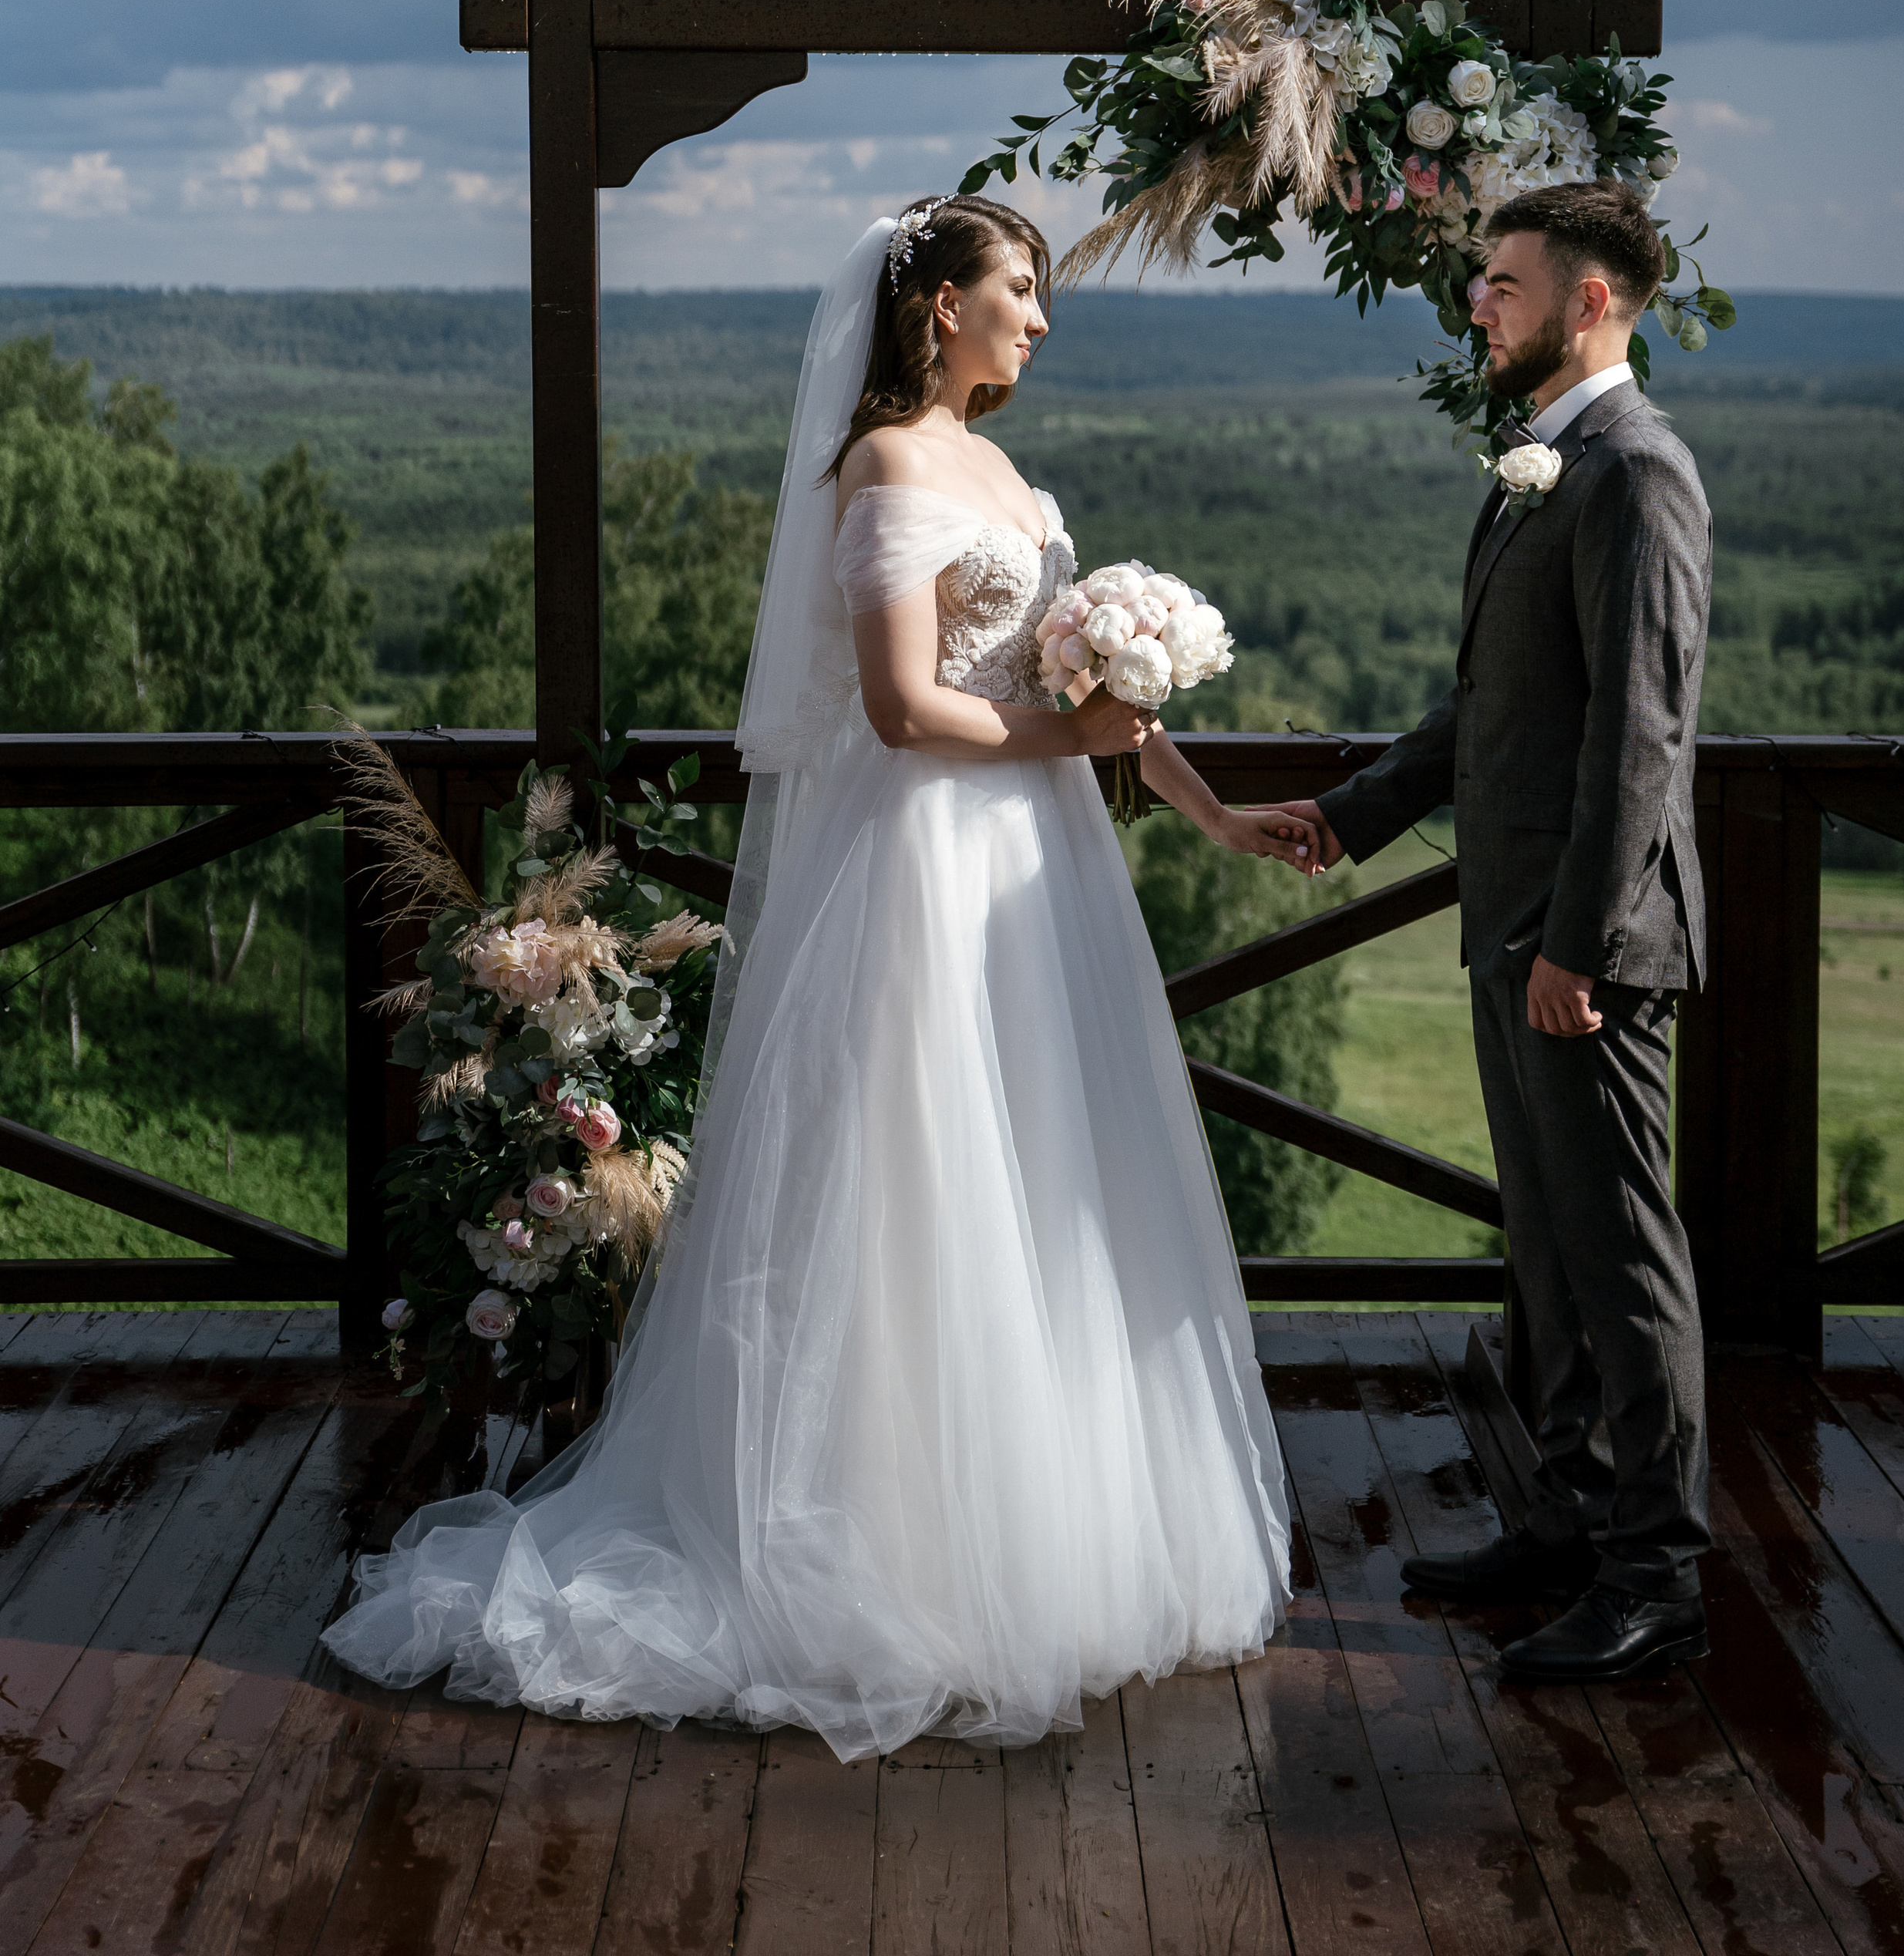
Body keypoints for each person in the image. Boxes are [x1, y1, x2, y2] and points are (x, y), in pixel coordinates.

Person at [322, 197, 1302, 1755]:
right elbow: (906, 710)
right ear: (936, 311)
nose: (1039, 318)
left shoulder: (1002, 472)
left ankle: (1042, 1534)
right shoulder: (890, 468)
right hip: (925, 863)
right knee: (914, 1178)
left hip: (1041, 876)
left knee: (1047, 1168)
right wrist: (1072, 741)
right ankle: (892, 1554)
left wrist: (1212, 809)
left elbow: (1090, 689)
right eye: (1019, 290)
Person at [1277, 177, 1713, 1684]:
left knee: (1620, 1260)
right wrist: (1352, 810)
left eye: (1502, 282)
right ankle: (1564, 1522)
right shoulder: (1545, 459)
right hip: (1510, 922)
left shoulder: (1632, 472)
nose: (1477, 302)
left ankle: (1656, 1577)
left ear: (1589, 300)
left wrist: (1577, 947)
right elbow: (1492, 701)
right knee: (1541, 1250)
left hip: (1582, 947)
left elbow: (1639, 739)